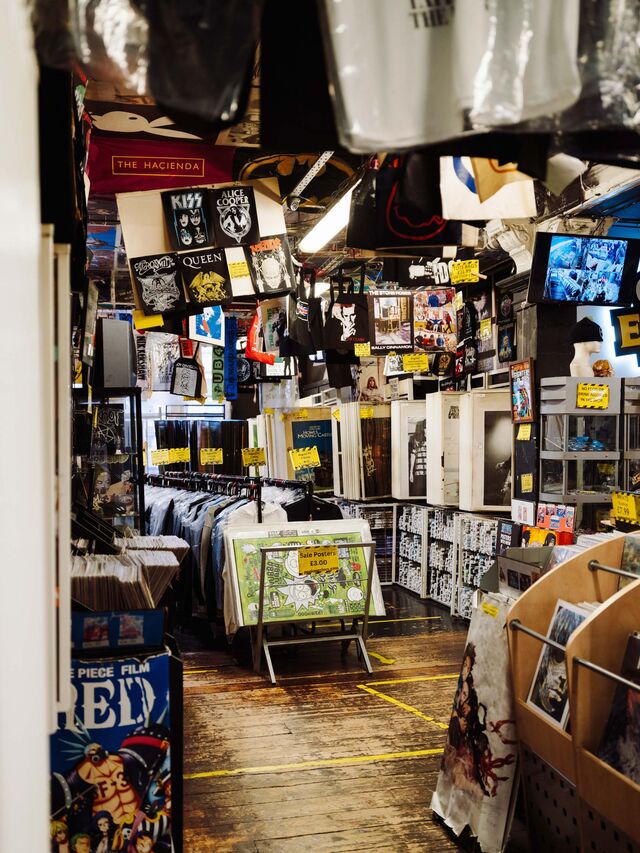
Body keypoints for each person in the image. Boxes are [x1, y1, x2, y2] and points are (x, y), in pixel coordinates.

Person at [408, 420, 427, 495]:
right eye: (425, 428)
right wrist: (411, 473)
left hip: (431, 473)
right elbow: (412, 456)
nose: (427, 430)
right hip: (419, 473)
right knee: (419, 493)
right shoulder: (416, 440)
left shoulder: (434, 439)